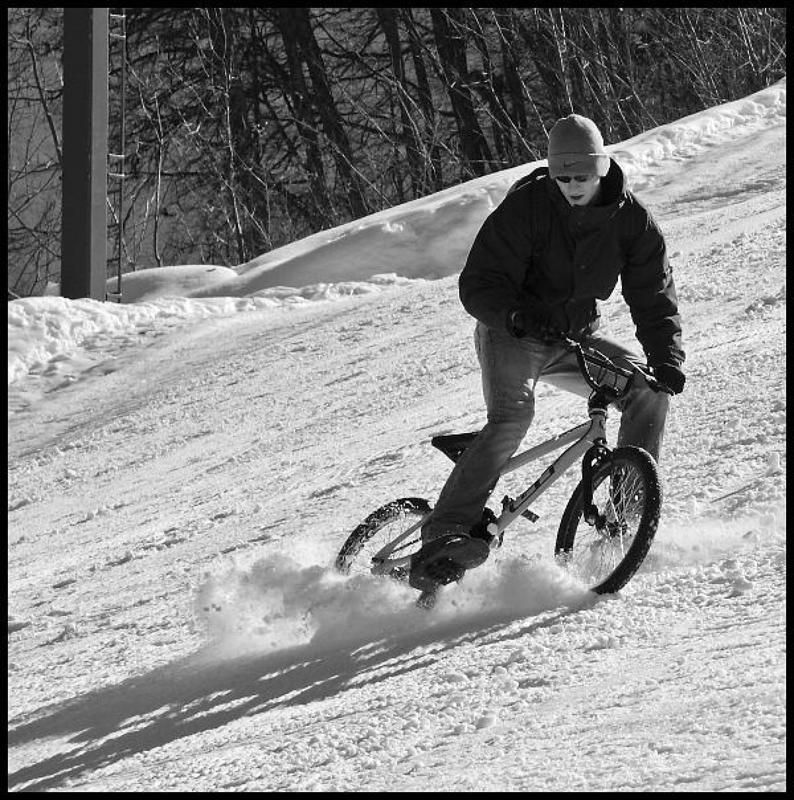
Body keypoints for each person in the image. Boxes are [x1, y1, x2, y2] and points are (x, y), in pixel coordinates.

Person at [409, 113, 685, 592]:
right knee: (513, 416)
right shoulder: (527, 208)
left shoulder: (631, 222)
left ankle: (625, 522)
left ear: (601, 169)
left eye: (582, 177)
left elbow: (653, 296)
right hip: (511, 334)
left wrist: (667, 359)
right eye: (563, 178)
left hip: (573, 340)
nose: (572, 186)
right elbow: (479, 284)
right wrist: (516, 315)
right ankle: (445, 532)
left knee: (647, 392)